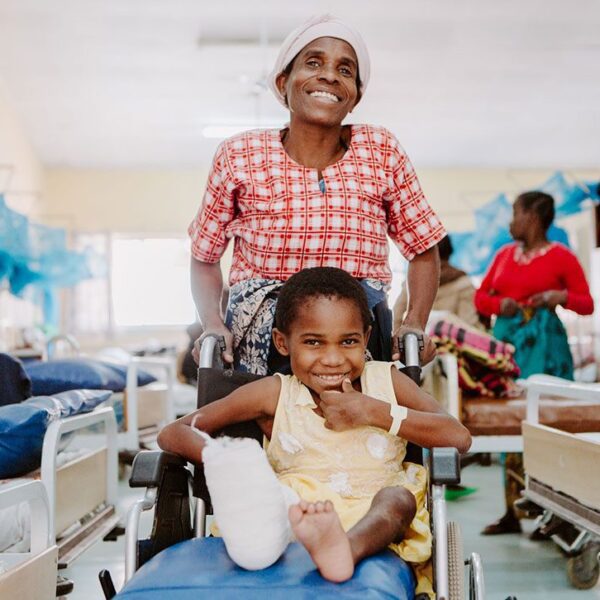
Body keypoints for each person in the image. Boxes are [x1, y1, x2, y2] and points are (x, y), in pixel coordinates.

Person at [158, 267, 471, 598]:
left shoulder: (387, 382)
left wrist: (373, 411)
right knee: (270, 505)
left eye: (348, 341)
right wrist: (229, 463)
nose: (333, 359)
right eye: (313, 342)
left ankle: (343, 550)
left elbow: (458, 436)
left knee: (399, 498)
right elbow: (174, 432)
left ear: (366, 338)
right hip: (294, 515)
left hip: (375, 521)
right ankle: (302, 542)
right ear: (282, 342)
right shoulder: (275, 393)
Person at [188, 15, 445, 375]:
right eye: (313, 63)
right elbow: (204, 255)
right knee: (264, 428)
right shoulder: (239, 155)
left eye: (345, 69)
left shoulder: (381, 149)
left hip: (357, 338)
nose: (329, 75)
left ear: (355, 95)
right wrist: (212, 323)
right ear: (283, 82)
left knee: (359, 429)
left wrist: (414, 321)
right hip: (264, 337)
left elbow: (423, 248)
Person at [475, 190, 594, 534]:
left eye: (515, 213)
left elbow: (586, 304)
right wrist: (501, 307)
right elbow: (482, 298)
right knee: (512, 424)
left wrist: (560, 297)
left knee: (551, 426)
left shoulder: (561, 257)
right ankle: (513, 511)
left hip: (548, 351)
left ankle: (559, 516)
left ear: (534, 216)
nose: (511, 222)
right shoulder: (503, 256)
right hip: (509, 350)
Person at [393, 235, 485, 332]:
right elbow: (470, 325)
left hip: (416, 343)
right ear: (449, 253)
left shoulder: (412, 283)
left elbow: (397, 318)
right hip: (448, 345)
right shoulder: (464, 284)